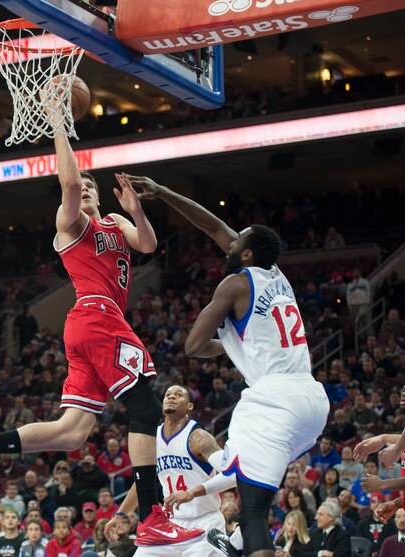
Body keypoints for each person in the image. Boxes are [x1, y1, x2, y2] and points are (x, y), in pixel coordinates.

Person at [0, 107, 197, 546]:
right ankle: (152, 516)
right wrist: (58, 121)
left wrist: (137, 211)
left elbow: (147, 244)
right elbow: (70, 182)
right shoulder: (71, 225)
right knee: (147, 411)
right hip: (97, 316)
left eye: (93, 187)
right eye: (81, 186)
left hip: (92, 325)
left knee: (71, 433)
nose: (86, 189)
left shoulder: (116, 222)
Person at [129, 175, 330, 557]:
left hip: (272, 399)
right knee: (240, 475)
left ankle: (235, 543)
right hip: (312, 400)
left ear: (248, 253)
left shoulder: (235, 284)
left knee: (252, 511)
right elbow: (212, 225)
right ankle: (233, 544)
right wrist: (164, 192)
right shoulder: (278, 277)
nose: (230, 241)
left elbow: (192, 346)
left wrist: (232, 346)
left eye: (238, 241)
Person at [104, 385, 234, 555]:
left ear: (190, 406)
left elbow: (231, 474)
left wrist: (191, 493)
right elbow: (143, 483)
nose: (171, 397)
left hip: (205, 523)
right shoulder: (152, 439)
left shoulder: (199, 438)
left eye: (178, 395)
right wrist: (120, 514)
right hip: (168, 524)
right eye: (168, 395)